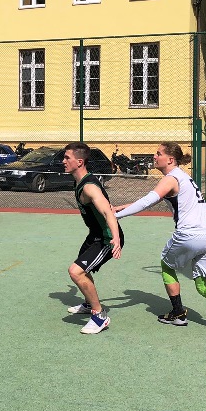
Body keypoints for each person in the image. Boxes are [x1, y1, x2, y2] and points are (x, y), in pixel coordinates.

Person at [113, 141, 206, 330]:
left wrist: (116, 217)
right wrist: (121, 207)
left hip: (189, 235)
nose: (154, 156)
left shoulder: (171, 178)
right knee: (203, 287)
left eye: (158, 153)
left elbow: (147, 201)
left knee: (167, 265)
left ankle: (178, 313)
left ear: (170, 159)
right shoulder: (185, 177)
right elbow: (151, 200)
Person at [62, 142, 123, 334]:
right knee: (82, 268)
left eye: (67, 158)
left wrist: (115, 239)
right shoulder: (79, 180)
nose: (63, 161)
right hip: (94, 235)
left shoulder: (89, 187)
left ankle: (99, 316)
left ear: (80, 162)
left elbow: (107, 212)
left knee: (76, 271)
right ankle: (89, 303)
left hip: (106, 239)